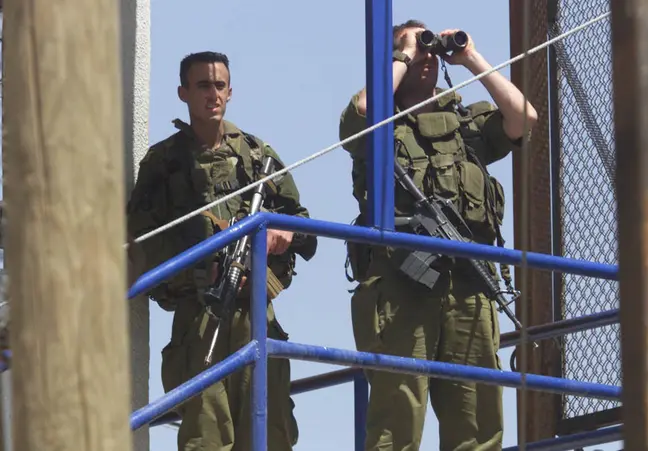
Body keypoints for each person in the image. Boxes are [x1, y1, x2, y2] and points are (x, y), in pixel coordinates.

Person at [339, 19, 538, 451]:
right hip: (400, 284)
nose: (425, 55)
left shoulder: (464, 122)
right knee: (397, 420)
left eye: (431, 47)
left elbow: (524, 117)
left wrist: (470, 57)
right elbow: (363, 114)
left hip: (470, 283)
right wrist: (404, 52)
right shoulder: (379, 124)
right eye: (414, 48)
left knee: (478, 421)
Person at [126, 51, 317, 450]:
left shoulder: (257, 155)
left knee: (270, 429)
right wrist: (200, 268)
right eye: (202, 86)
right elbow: (142, 242)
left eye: (219, 85)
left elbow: (304, 228)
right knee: (207, 433)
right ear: (183, 93)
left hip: (255, 314)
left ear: (230, 92)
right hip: (200, 317)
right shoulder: (165, 162)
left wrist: (281, 232)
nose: (212, 94)